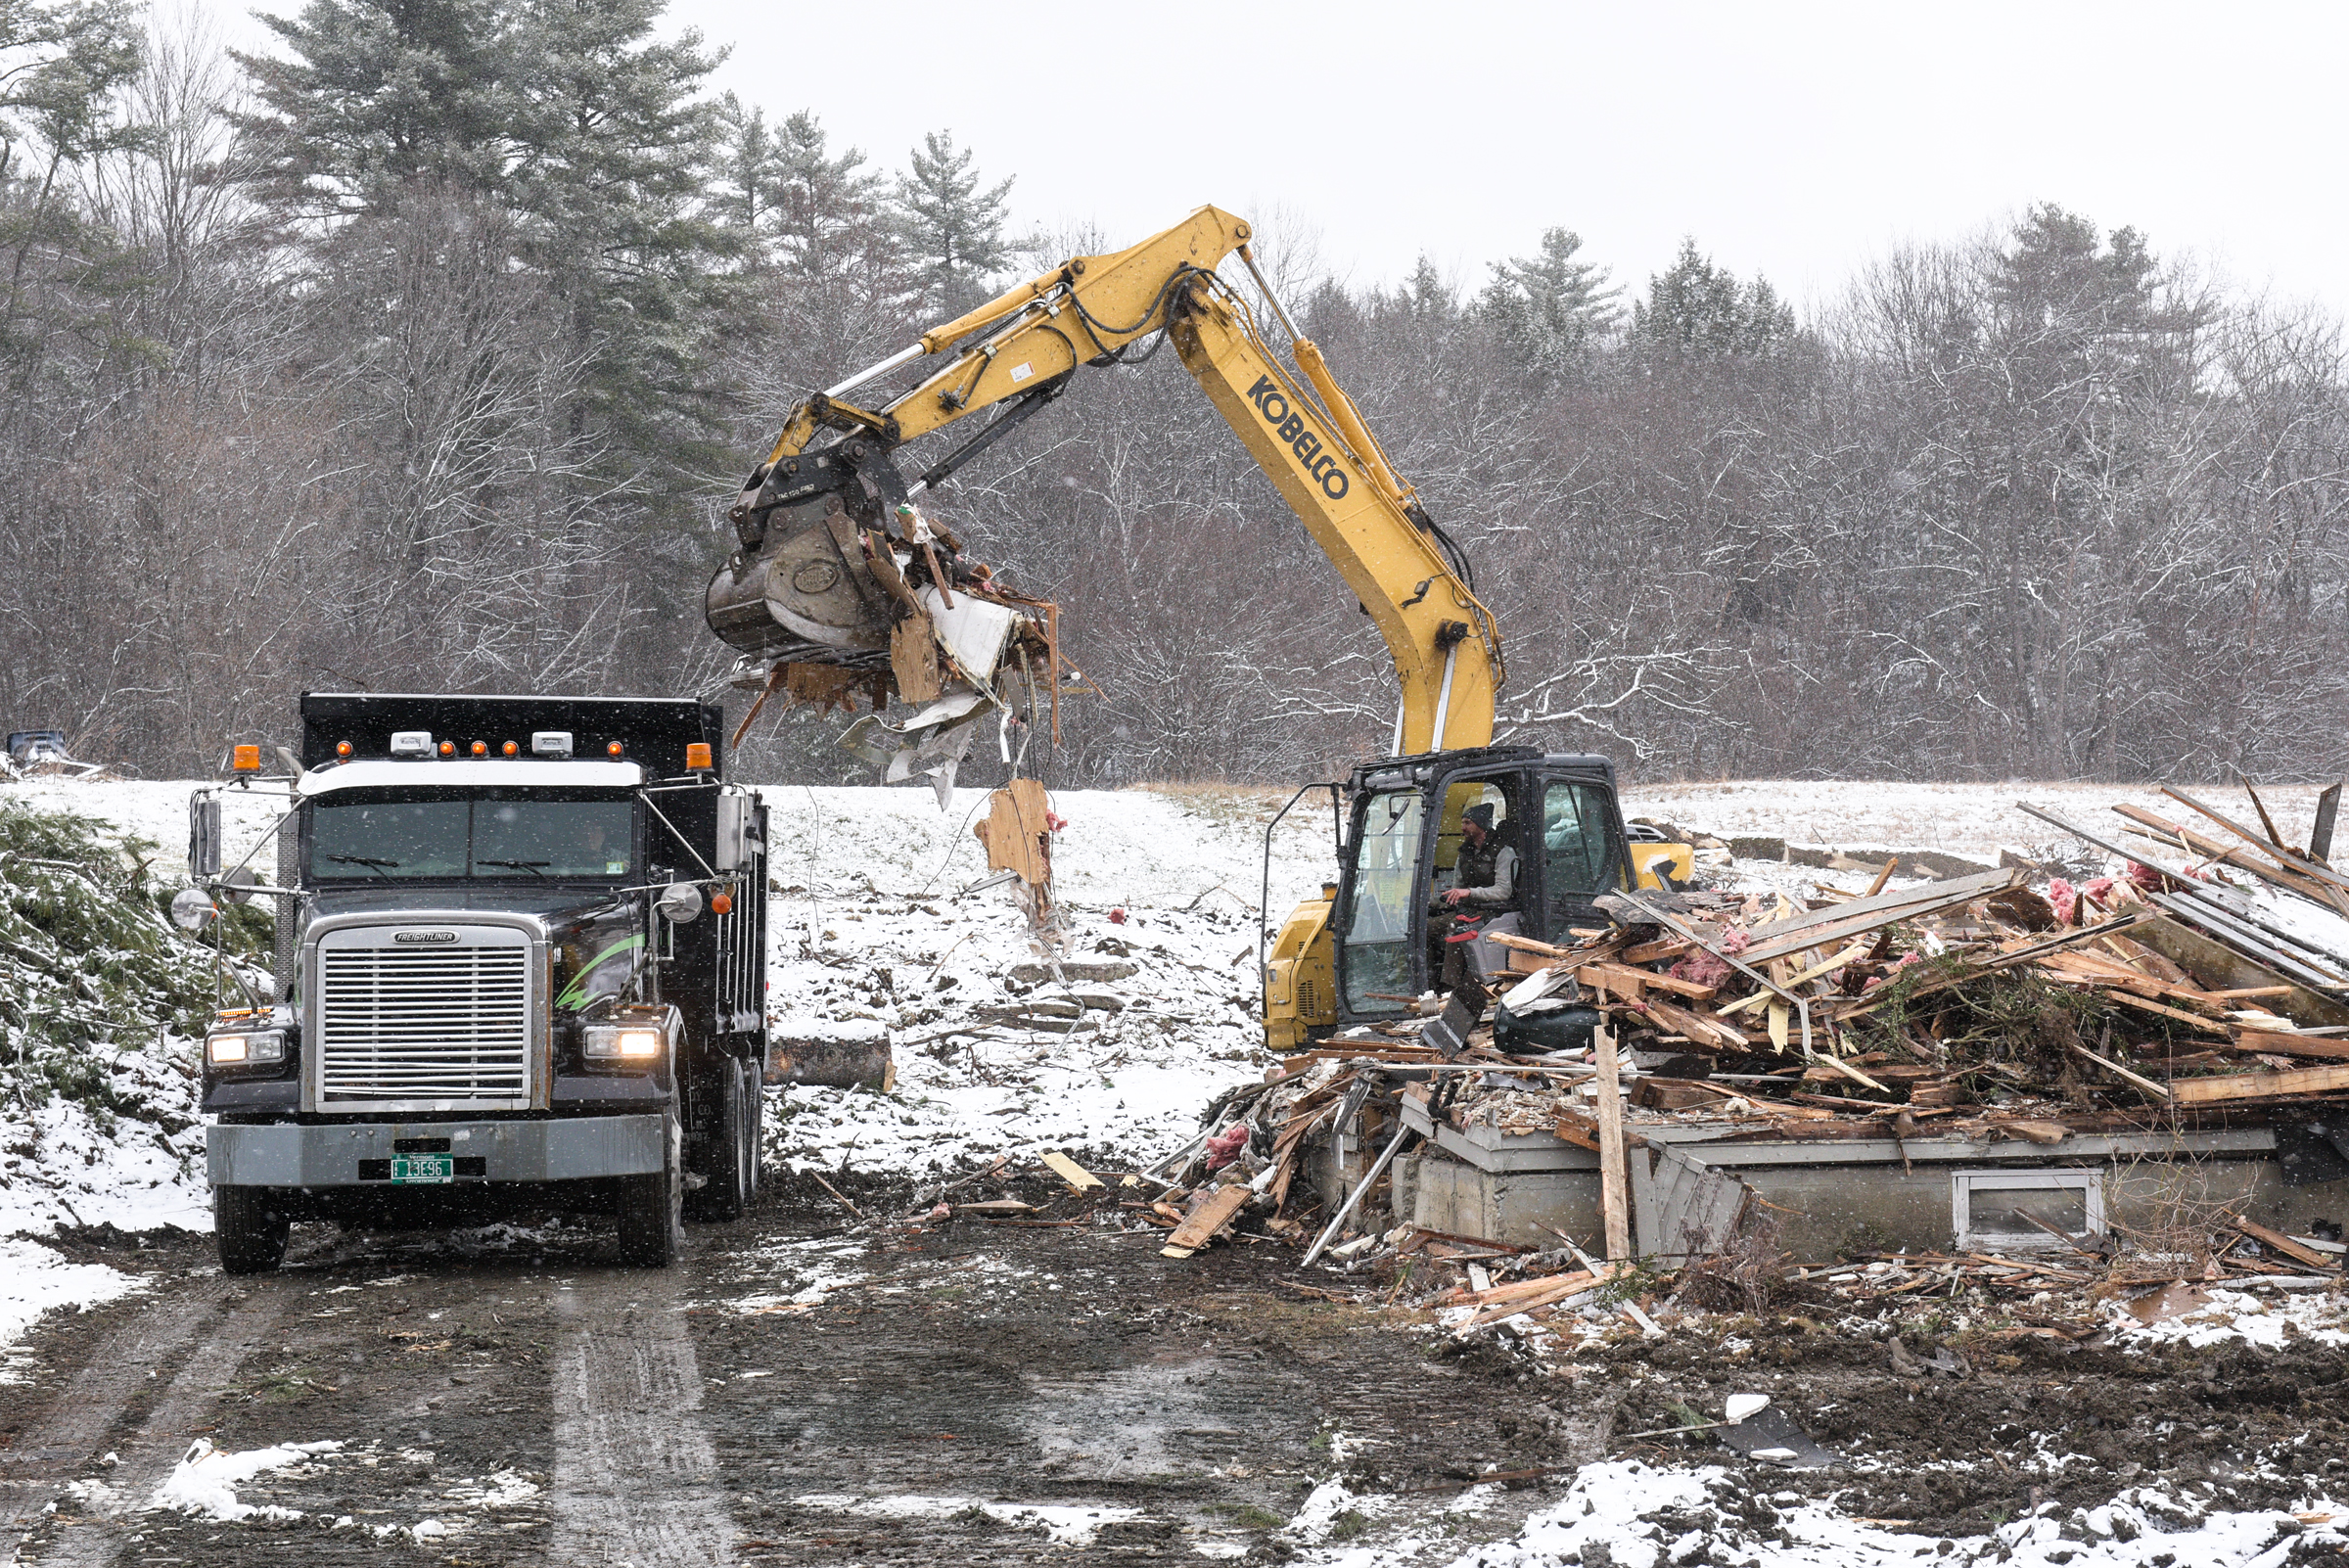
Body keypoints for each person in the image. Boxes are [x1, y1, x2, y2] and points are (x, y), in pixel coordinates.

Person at [1441, 802, 1522, 977]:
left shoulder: (1503, 852)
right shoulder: (1465, 853)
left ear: (1482, 825)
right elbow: (1458, 887)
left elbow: (1503, 891)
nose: (1462, 828)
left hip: (1494, 911)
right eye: (1462, 823)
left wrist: (1470, 892)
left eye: (1467, 823)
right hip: (1469, 909)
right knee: (1429, 926)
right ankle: (1427, 981)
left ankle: (1450, 986)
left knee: (1455, 928)